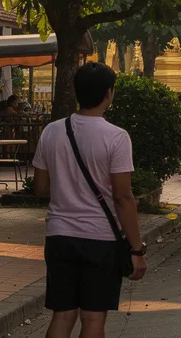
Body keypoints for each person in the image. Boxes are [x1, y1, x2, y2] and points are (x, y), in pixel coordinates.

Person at [33, 62, 147, 338]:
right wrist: (137, 249)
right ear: (109, 94)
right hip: (99, 239)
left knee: (63, 315)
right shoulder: (116, 137)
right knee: (93, 319)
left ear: (76, 92)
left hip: (59, 235)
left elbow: (40, 187)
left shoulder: (52, 132)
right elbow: (122, 196)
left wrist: (68, 190)